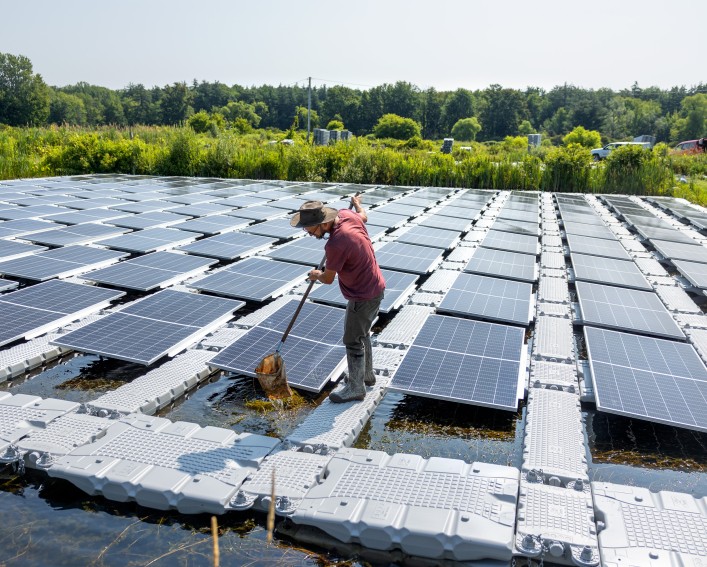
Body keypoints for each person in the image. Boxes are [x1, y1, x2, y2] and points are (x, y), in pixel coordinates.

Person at [290, 195, 385, 403]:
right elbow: (364, 216)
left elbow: (328, 278)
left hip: (362, 295)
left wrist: (316, 274)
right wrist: (358, 203)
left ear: (323, 223)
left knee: (352, 340)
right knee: (362, 333)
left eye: (309, 228)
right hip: (375, 287)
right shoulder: (346, 214)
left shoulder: (336, 243)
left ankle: (355, 387)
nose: (308, 232)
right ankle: (366, 376)